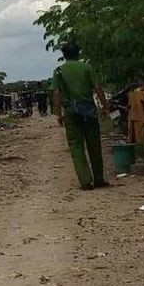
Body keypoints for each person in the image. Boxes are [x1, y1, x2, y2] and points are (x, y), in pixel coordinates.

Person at [51, 42, 109, 190]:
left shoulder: (59, 71)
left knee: (76, 146)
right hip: (89, 111)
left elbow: (56, 93)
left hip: (70, 112)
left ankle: (85, 181)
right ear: (79, 53)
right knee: (94, 145)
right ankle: (99, 179)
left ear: (63, 55)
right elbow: (97, 88)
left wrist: (58, 113)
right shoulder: (86, 67)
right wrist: (104, 107)